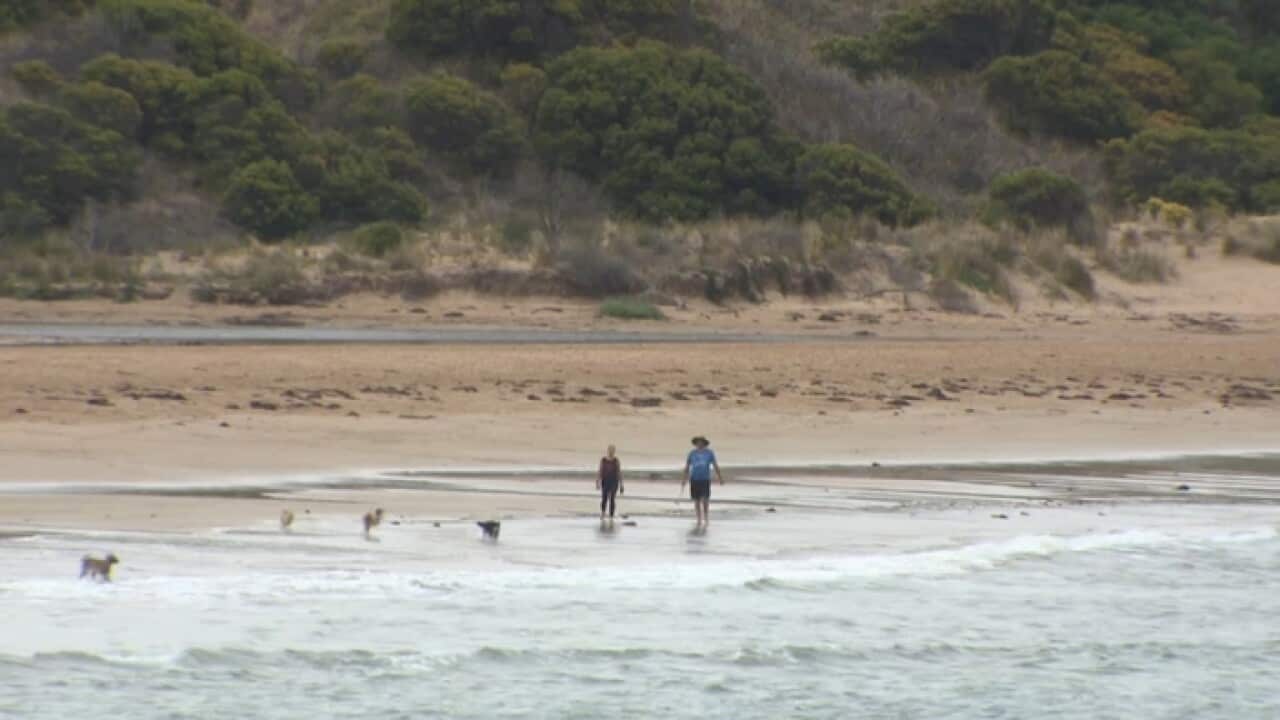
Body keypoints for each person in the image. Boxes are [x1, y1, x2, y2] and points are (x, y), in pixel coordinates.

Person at [681, 436, 723, 528]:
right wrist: (684, 479)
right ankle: (699, 519)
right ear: (695, 444)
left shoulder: (709, 453)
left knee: (705, 499)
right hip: (694, 479)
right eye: (697, 443)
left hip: (705, 479)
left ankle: (706, 517)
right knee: (696, 500)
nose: (699, 444)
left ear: (704, 443)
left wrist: (720, 478)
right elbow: (687, 467)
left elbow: (715, 465)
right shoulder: (692, 453)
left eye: (701, 442)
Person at [597, 444, 623, 519]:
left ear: (614, 452)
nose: (611, 452)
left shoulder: (616, 461)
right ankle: (603, 512)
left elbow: (619, 472)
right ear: (608, 451)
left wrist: (621, 485)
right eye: (610, 450)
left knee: (612, 498)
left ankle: (611, 515)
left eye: (612, 451)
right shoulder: (603, 460)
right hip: (605, 481)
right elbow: (600, 471)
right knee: (604, 498)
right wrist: (598, 481)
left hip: (614, 482)